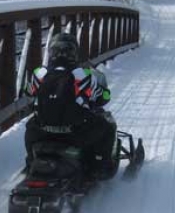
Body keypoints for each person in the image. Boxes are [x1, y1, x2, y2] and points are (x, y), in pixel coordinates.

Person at [24, 32, 117, 180]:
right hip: (75, 134)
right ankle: (101, 166)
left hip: (43, 132)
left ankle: (30, 161)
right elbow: (103, 97)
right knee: (107, 127)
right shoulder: (83, 75)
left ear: (51, 52)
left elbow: (28, 93)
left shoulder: (39, 73)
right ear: (73, 53)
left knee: (30, 125)